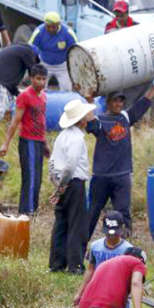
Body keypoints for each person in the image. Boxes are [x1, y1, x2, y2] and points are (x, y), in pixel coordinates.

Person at [86, 76, 154, 238]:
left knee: (123, 211)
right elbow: (90, 122)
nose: (119, 104)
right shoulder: (100, 120)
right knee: (93, 211)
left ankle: (125, 244)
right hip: (101, 176)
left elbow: (145, 101)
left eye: (121, 101)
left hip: (122, 175)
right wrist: (88, 98)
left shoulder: (125, 117)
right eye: (115, 101)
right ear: (108, 103)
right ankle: (82, 243)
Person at [49, 99, 97, 273]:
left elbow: (52, 163)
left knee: (61, 223)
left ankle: (56, 263)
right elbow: (71, 165)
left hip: (62, 181)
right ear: (81, 120)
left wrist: (56, 184)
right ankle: (75, 265)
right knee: (77, 225)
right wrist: (63, 185)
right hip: (73, 183)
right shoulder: (77, 138)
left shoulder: (62, 136)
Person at [0, 64, 49, 215]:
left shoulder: (44, 96)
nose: (41, 82)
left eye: (43, 79)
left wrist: (45, 143)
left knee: (38, 179)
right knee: (30, 178)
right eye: (38, 79)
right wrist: (5, 144)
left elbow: (42, 120)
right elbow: (15, 122)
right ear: (32, 79)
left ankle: (32, 211)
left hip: (39, 141)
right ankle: (26, 213)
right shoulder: (25, 96)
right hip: (28, 141)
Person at [74, 211, 134, 307]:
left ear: (122, 228)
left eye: (115, 234)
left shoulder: (128, 250)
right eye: (108, 234)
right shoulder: (95, 246)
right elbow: (90, 270)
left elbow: (133, 277)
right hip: (97, 296)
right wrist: (80, 293)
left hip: (119, 300)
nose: (111, 237)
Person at [0, 43, 40, 123]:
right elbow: (34, 71)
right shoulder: (28, 51)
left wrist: (18, 94)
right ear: (34, 55)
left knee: (11, 108)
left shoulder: (17, 50)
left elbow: (9, 83)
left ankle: (5, 129)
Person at [29, 12, 78, 90]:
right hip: (44, 65)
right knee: (39, 89)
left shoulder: (68, 33)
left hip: (62, 66)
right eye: (48, 27)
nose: (51, 29)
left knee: (66, 90)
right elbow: (30, 48)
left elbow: (75, 50)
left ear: (59, 24)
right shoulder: (38, 32)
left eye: (53, 27)